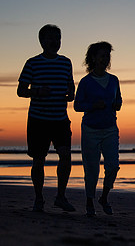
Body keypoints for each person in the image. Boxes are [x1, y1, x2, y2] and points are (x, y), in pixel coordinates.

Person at [17, 24, 76, 212]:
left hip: (60, 119)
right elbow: (20, 91)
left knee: (66, 156)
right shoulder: (32, 63)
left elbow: (70, 85)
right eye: (50, 38)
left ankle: (60, 196)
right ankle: (39, 199)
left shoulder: (66, 62)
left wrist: (71, 94)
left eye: (57, 38)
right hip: (38, 120)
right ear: (41, 41)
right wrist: (37, 91)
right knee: (38, 160)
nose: (54, 42)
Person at [74, 42, 122, 216]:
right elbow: (77, 106)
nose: (104, 59)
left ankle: (104, 197)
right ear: (93, 58)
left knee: (113, 166)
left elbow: (119, 101)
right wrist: (93, 105)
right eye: (101, 55)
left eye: (107, 56)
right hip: (90, 130)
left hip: (110, 128)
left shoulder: (114, 80)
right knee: (91, 169)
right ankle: (89, 201)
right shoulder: (86, 82)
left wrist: (117, 104)